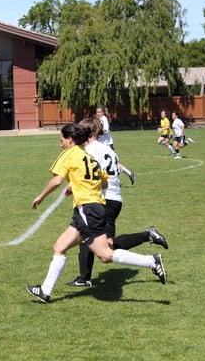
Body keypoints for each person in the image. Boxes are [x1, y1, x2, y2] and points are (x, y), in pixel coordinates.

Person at [26, 124, 167, 303]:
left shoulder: (69, 153)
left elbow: (57, 180)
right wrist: (79, 186)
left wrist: (41, 196)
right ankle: (45, 291)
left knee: (105, 255)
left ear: (70, 140)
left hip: (88, 209)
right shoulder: (89, 157)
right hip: (92, 207)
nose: (60, 143)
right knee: (59, 247)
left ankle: (151, 261)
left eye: (61, 139)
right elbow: (105, 182)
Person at [67, 117, 169, 287]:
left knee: (105, 248)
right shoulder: (108, 150)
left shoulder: (90, 150)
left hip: (103, 199)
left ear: (88, 133)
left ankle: (148, 239)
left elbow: (92, 174)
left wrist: (76, 186)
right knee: (92, 239)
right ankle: (84, 278)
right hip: (114, 198)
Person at [95, 105, 135, 185]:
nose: (98, 113)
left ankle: (116, 175)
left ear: (103, 112)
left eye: (100, 112)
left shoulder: (103, 119)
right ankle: (129, 173)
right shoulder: (98, 120)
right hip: (102, 145)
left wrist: (98, 132)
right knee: (111, 162)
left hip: (107, 145)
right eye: (97, 112)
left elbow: (106, 130)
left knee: (111, 162)